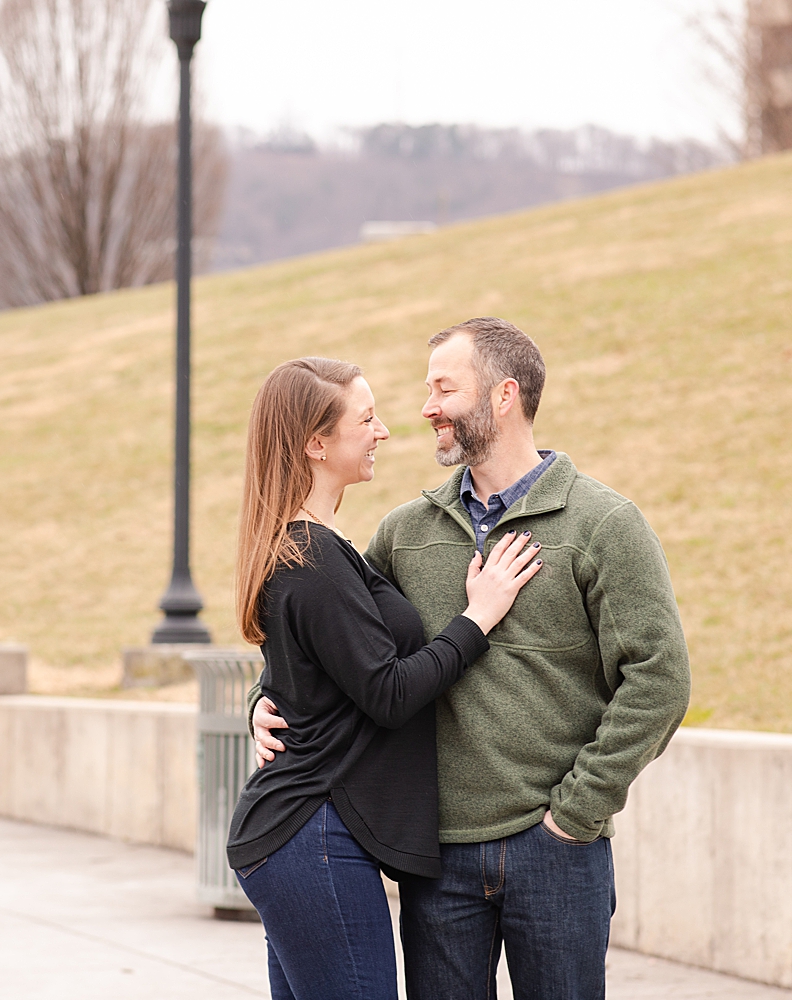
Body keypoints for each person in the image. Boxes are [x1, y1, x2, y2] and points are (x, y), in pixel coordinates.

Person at [252, 319, 692, 1000]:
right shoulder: (406, 532)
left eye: (443, 388)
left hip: (557, 850)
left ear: (503, 395)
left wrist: (575, 814)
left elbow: (659, 681)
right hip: (438, 858)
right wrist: (264, 700)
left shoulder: (602, 524)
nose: (425, 407)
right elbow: (322, 635)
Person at [227, 356, 543, 1000]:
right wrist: (477, 618)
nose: (384, 432)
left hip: (302, 839)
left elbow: (312, 667)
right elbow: (389, 692)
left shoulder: (320, 546)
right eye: (366, 420)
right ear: (316, 443)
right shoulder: (312, 558)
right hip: (308, 837)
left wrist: (263, 699)